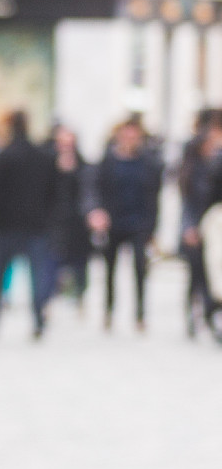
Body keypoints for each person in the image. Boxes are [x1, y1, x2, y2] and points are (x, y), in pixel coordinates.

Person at [0, 110, 61, 338]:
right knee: (37, 277)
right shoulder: (44, 157)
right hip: (36, 226)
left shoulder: (4, 156)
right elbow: (53, 194)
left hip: (6, 226)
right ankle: (38, 320)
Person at [85, 116, 164, 331]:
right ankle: (109, 310)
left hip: (138, 222)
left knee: (140, 267)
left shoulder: (149, 162)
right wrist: (97, 212)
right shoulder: (107, 160)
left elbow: (153, 197)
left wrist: (153, 228)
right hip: (114, 222)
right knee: (110, 268)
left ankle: (140, 314)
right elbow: (94, 187)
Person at [176, 110, 222, 334]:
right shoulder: (192, 161)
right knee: (196, 272)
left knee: (214, 271)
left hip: (215, 225)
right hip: (197, 223)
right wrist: (189, 226)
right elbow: (188, 199)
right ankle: (193, 315)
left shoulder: (217, 161)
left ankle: (211, 315)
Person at [49, 123, 92, 302]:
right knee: (54, 259)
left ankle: (79, 293)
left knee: (80, 261)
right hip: (55, 220)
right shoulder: (49, 163)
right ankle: (53, 294)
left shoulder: (83, 164)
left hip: (78, 221)